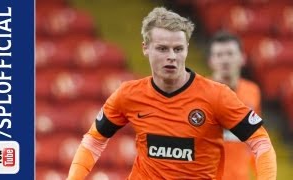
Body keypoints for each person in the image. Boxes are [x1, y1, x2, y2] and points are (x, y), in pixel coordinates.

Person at [67, 7, 277, 180]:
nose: (171, 57)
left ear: (186, 48)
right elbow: (93, 140)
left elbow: (260, 141)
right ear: (145, 48)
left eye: (178, 49)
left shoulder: (216, 95)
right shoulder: (128, 95)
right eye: (162, 49)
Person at [207, 31, 262, 179]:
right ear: (211, 61)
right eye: (219, 55)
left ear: (242, 58)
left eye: (230, 54)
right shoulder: (198, 93)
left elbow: (254, 141)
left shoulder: (253, 92)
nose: (225, 60)